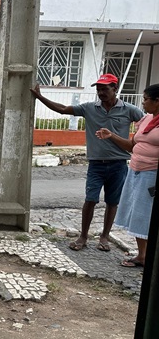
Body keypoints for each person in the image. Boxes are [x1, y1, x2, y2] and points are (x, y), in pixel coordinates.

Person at [31, 74, 144, 251]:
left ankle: (104, 237)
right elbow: (62, 109)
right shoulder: (90, 108)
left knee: (112, 202)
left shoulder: (129, 110)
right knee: (90, 200)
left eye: (104, 89)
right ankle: (83, 236)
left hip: (119, 164)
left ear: (115, 88)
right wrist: (40, 97)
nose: (100, 92)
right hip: (96, 164)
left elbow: (146, 123)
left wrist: (138, 140)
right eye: (98, 89)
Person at [95, 84, 159, 267]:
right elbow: (132, 145)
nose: (143, 103)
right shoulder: (146, 120)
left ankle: (146, 256)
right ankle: (142, 255)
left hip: (152, 174)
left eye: (146, 99)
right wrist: (111, 136)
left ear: (157, 101)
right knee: (137, 213)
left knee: (147, 214)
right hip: (136, 171)